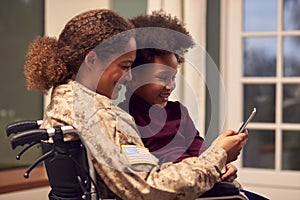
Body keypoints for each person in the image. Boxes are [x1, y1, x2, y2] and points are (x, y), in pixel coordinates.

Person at [24, 9, 248, 200]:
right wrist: (218, 155)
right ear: (92, 60)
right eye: (124, 65)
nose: (130, 76)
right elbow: (149, 187)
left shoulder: (63, 99)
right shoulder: (101, 115)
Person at [119, 11, 268, 200]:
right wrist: (218, 156)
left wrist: (222, 166)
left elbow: (202, 154)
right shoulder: (123, 120)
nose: (170, 86)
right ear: (133, 76)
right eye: (161, 78)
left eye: (173, 77)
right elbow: (153, 181)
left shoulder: (178, 112)